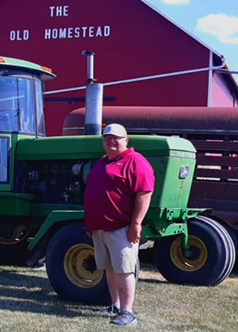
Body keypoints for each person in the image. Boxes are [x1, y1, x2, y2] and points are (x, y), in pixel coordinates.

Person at [83, 123, 155, 326]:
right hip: (100, 227)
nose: (111, 141)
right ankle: (114, 306)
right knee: (110, 268)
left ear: (126, 140)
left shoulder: (135, 161)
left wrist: (136, 223)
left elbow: (144, 192)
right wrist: (91, 224)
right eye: (107, 138)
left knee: (124, 269)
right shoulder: (103, 162)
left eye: (116, 138)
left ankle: (127, 312)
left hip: (121, 227)